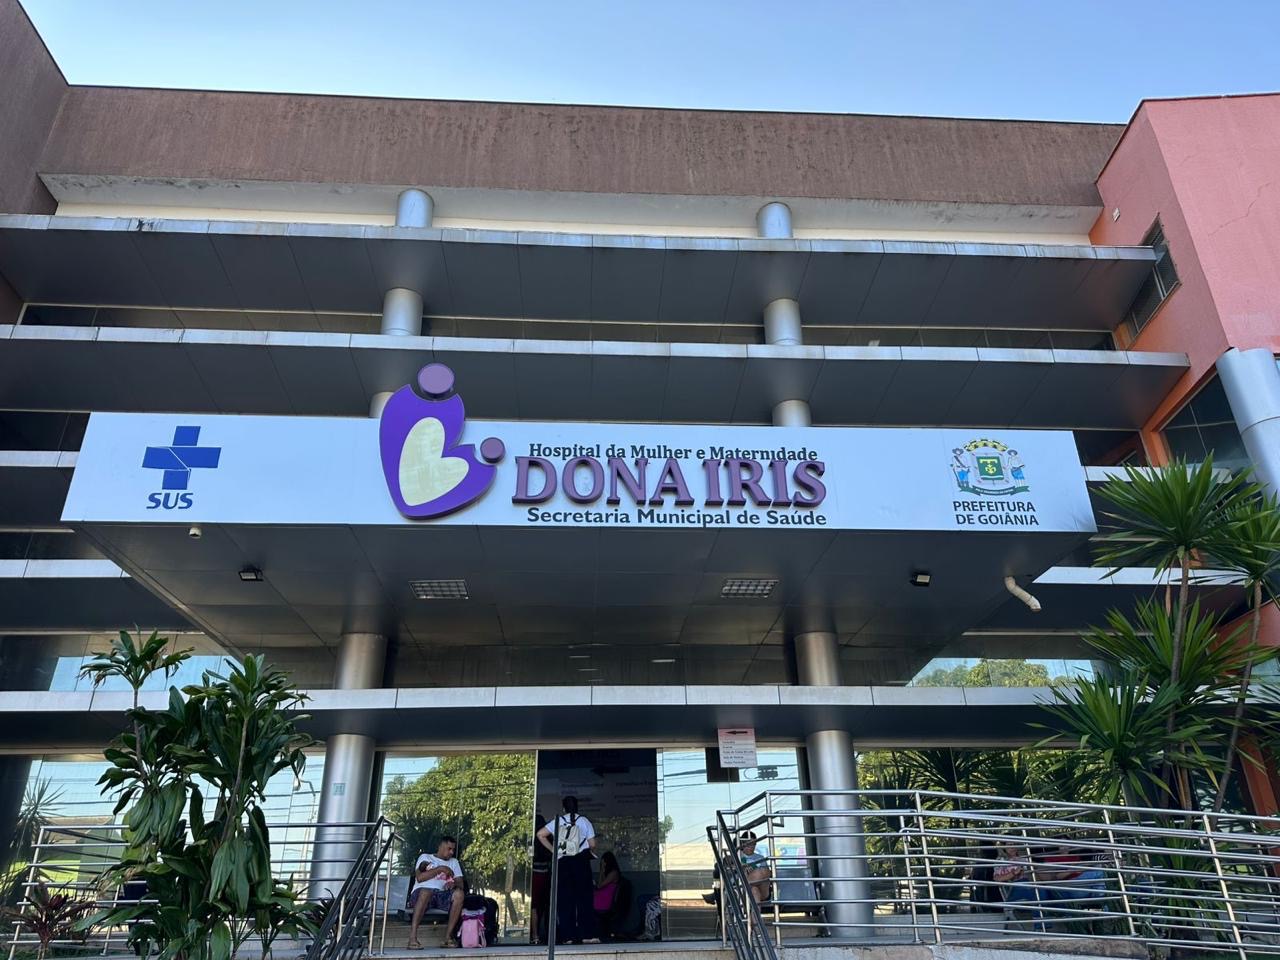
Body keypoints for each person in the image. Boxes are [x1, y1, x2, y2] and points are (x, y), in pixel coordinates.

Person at [537, 796, 600, 944]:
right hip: (581, 862)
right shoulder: (584, 821)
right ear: (577, 807)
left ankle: (568, 936)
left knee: (565, 900)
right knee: (584, 899)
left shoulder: (558, 821)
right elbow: (592, 844)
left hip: (563, 863)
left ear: (564, 808)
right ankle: (587, 935)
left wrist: (554, 850)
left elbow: (540, 834)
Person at [407, 836, 465, 950]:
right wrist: (440, 869)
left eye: (453, 850)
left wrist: (453, 885)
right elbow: (420, 878)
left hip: (441, 895)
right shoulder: (425, 857)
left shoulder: (454, 862)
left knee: (459, 894)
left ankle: (447, 938)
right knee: (426, 891)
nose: (452, 852)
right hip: (420, 893)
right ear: (440, 847)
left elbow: (460, 884)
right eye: (449, 849)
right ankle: (412, 938)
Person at [530, 814, 552, 945]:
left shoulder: (532, 839)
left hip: (534, 875)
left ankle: (535, 935)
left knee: (533, 906)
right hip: (546, 875)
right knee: (543, 906)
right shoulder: (548, 838)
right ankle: (546, 934)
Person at [593, 851, 625, 939]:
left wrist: (602, 869)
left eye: (604, 862)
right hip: (600, 898)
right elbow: (600, 882)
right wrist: (602, 871)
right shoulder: (607, 873)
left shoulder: (613, 873)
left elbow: (600, 885)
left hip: (604, 902)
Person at [738, 832, 771, 906]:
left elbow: (767, 873)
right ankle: (756, 914)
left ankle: (747, 884)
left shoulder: (760, 857)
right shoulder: (738, 855)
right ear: (743, 843)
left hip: (762, 889)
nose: (751, 847)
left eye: (753, 844)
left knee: (763, 872)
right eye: (748, 844)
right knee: (754, 891)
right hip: (745, 887)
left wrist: (752, 868)